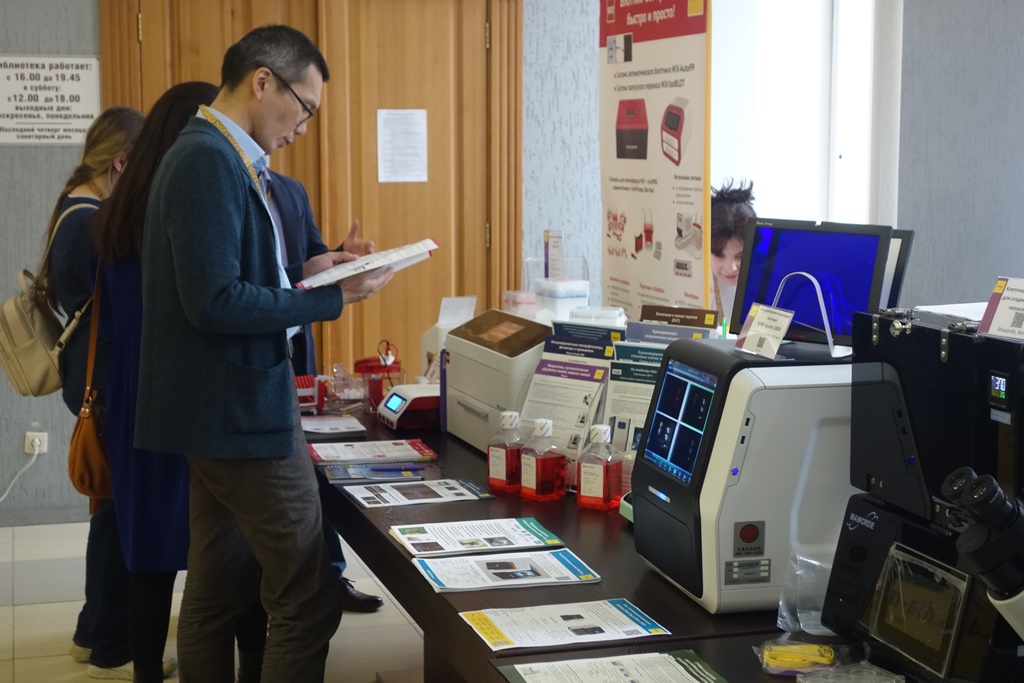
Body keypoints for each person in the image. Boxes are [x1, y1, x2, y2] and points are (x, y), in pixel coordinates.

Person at [134, 25, 393, 682]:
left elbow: (239, 276)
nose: (303, 128)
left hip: (221, 409)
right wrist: (334, 299)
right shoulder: (206, 160)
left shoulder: (219, 156)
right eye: (304, 108)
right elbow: (214, 302)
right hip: (239, 412)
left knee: (216, 590)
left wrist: (313, 270)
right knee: (307, 595)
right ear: (262, 82)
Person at [91, 82, 220, 682]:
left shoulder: (118, 211)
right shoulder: (178, 209)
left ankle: (145, 670)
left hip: (130, 392)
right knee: (212, 547)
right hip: (179, 391)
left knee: (148, 549)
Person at [35, 106, 147, 680]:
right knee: (118, 515)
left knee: (110, 510)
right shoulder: (91, 221)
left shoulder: (73, 209)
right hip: (103, 380)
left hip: (90, 375)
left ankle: (92, 630)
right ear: (121, 162)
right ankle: (109, 644)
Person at [263, 163, 384, 613]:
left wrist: (343, 256)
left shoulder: (291, 191)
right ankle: (282, 586)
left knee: (311, 462)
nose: (297, 132)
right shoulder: (228, 185)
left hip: (297, 349)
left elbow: (315, 262)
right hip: (255, 346)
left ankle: (331, 576)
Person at [709, 179, 755, 329]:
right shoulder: (692, 287)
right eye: (719, 255)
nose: (731, 268)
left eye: (740, 256)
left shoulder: (771, 284)